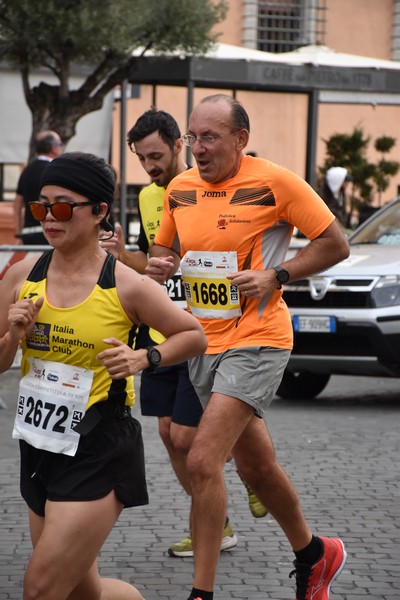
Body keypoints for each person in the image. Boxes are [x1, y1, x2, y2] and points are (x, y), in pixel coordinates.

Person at [146, 94, 350, 600]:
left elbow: (335, 242)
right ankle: (314, 553)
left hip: (259, 339)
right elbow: (164, 249)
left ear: (241, 140)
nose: (198, 148)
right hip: (201, 341)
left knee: (200, 459)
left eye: (210, 138)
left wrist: (276, 275)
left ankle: (202, 593)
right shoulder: (179, 188)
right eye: (193, 137)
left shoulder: (274, 182)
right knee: (257, 467)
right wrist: (160, 264)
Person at [0, 151, 207, 600]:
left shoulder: (128, 285)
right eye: (41, 207)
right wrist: (13, 338)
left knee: (40, 589)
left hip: (99, 445)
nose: (48, 218)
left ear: (99, 212)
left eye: (62, 206)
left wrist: (143, 359)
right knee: (81, 592)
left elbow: (193, 335)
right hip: (39, 443)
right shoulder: (20, 276)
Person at [101, 108, 266, 558]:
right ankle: (216, 519)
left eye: (156, 155)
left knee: (190, 439)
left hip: (209, 333)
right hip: (161, 332)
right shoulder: (151, 199)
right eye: (141, 159)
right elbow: (152, 268)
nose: (150, 167)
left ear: (180, 144)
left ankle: (253, 476)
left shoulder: (211, 188)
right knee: (169, 436)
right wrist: (122, 257)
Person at [14, 130, 64, 245]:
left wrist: (18, 234)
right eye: (60, 145)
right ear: (54, 148)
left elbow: (17, 205)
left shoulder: (27, 170)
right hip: (50, 231)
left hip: (27, 234)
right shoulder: (55, 170)